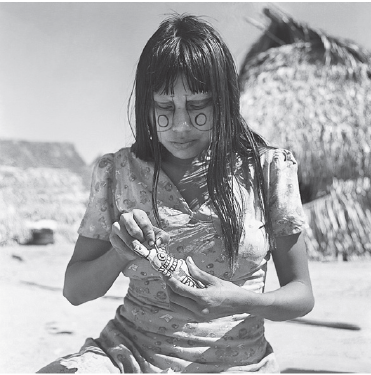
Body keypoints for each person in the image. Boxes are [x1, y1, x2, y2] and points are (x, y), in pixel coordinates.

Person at [37, 13, 314, 374]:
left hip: (237, 364)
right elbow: (74, 291)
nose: (181, 125)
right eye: (165, 107)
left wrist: (239, 301)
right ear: (147, 108)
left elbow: (301, 294)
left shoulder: (266, 171)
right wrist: (119, 253)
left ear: (224, 102)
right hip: (129, 356)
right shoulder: (117, 172)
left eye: (198, 105)